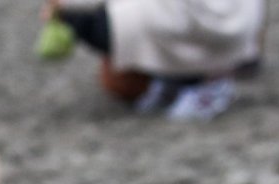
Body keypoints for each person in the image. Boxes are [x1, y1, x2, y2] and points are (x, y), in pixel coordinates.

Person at [43, 0, 264, 120]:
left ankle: (194, 81)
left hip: (208, 26)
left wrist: (64, 9)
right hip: (240, 30)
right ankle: (182, 79)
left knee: (88, 22)